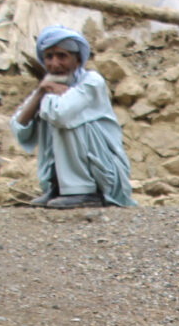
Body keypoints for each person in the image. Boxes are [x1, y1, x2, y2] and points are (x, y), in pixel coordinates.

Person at [11, 26, 134, 208]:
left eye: (62, 56)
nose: (55, 64)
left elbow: (60, 114)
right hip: (65, 180)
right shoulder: (49, 84)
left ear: (77, 61)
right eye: (49, 57)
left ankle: (83, 190)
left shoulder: (92, 81)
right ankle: (59, 187)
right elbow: (18, 126)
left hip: (104, 173)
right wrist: (40, 92)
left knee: (64, 120)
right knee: (49, 112)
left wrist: (49, 94)